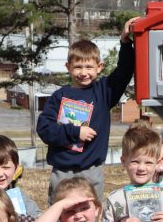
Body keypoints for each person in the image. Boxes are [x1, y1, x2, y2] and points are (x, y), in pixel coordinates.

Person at [37, 18, 138, 204]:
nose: (84, 72)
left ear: (99, 67)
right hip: (62, 171)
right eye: (78, 67)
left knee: (91, 220)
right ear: (68, 67)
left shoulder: (104, 92)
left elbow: (124, 71)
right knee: (60, 218)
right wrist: (75, 132)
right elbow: (44, 129)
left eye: (89, 67)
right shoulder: (59, 96)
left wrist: (125, 41)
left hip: (92, 171)